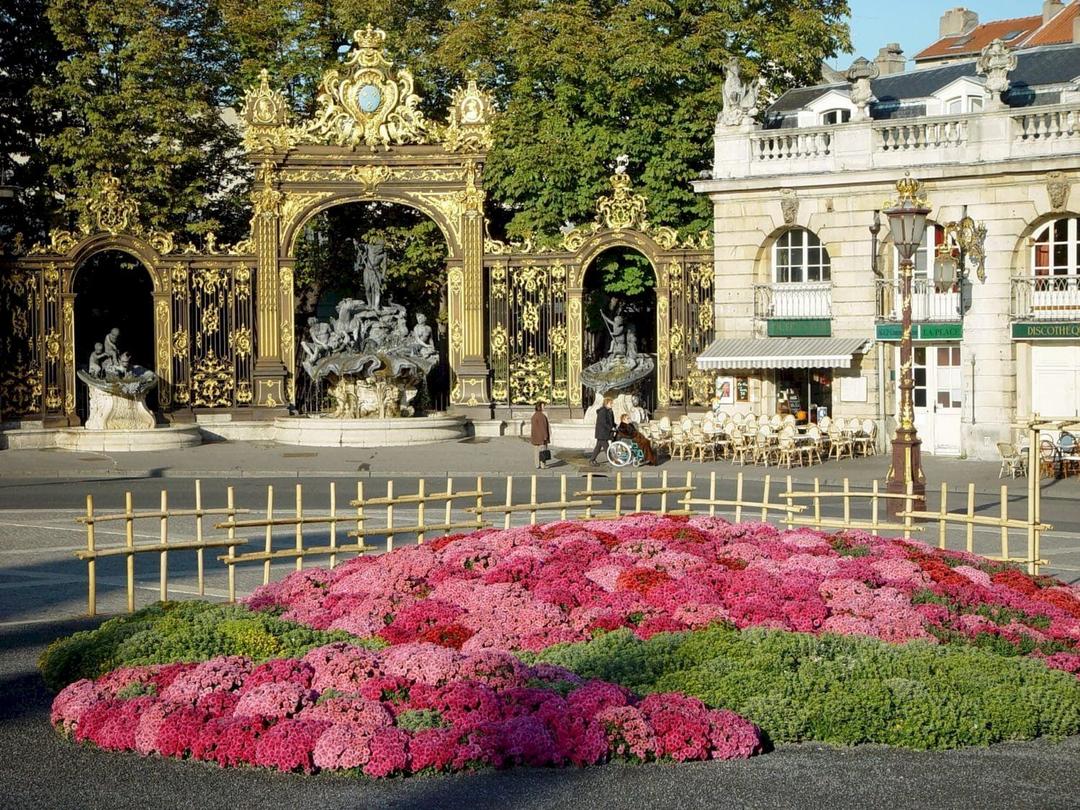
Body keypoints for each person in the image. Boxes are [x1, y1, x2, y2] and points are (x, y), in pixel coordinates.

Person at [589, 397, 616, 465]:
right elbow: (603, 423)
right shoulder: (603, 411)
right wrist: (611, 428)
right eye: (611, 403)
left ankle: (592, 460)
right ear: (606, 403)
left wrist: (615, 426)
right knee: (606, 447)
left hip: (604, 432)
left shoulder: (609, 411)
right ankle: (612, 460)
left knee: (598, 448)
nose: (612, 405)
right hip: (602, 432)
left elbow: (611, 422)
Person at [530, 402, 552, 469]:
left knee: (536, 451)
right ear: (540, 407)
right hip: (542, 437)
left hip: (535, 437)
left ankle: (537, 465)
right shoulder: (542, 416)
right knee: (543, 451)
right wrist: (545, 436)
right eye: (543, 406)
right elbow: (543, 427)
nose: (544, 407)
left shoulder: (534, 415)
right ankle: (543, 465)